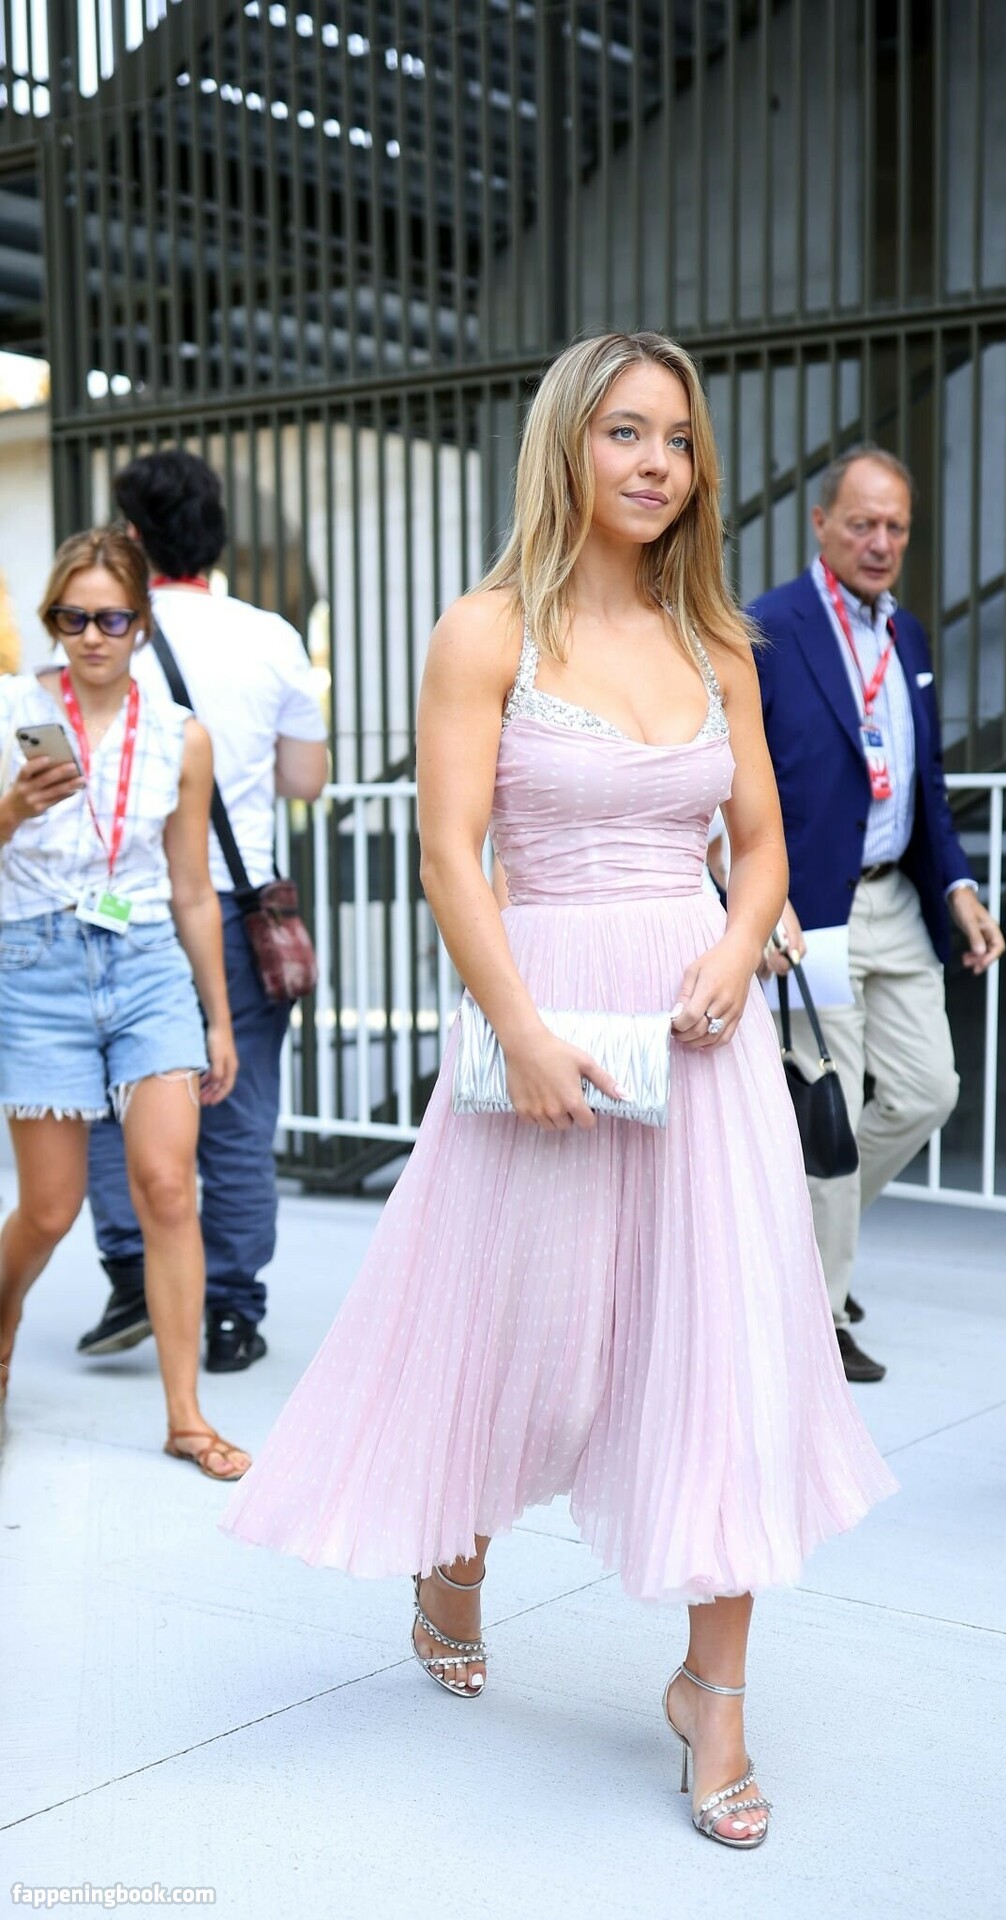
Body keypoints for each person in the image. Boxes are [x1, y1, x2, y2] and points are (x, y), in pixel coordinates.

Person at [221, 331, 896, 1847]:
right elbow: (449, 854)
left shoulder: (719, 640)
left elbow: (764, 846)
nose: (656, 463)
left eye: (678, 439)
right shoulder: (486, 631)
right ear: (567, 446)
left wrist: (736, 942)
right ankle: (452, 1550)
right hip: (543, 1027)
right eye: (625, 433)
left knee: (722, 1348)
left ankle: (713, 1694)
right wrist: (516, 1029)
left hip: (702, 1041)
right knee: (511, 1330)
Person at [748, 447, 1005, 1383]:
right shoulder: (768, 628)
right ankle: (817, 1315)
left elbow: (925, 781)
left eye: (896, 526)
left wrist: (959, 887)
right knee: (830, 1110)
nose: (881, 541)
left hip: (896, 897)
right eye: (863, 523)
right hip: (809, 908)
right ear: (821, 524)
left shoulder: (908, 635)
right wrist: (758, 897)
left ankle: (798, 1249)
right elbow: (735, 779)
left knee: (927, 1088)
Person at [0, 529, 247, 1479]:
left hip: (145, 963)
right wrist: (14, 809)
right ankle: (3, 1318)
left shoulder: (182, 734)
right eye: (73, 618)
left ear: (141, 623)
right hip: (37, 964)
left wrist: (217, 1016)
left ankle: (186, 1417)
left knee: (169, 1188)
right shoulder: (14, 712)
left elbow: (191, 888)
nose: (92, 637)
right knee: (50, 1209)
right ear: (52, 621)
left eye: (111, 619)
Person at [76, 451, 328, 1374]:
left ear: (131, 537)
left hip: (126, 906)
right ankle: (227, 1312)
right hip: (239, 905)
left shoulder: (105, 640)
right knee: (239, 1111)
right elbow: (306, 778)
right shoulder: (270, 637)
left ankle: (132, 1273)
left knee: (118, 1099)